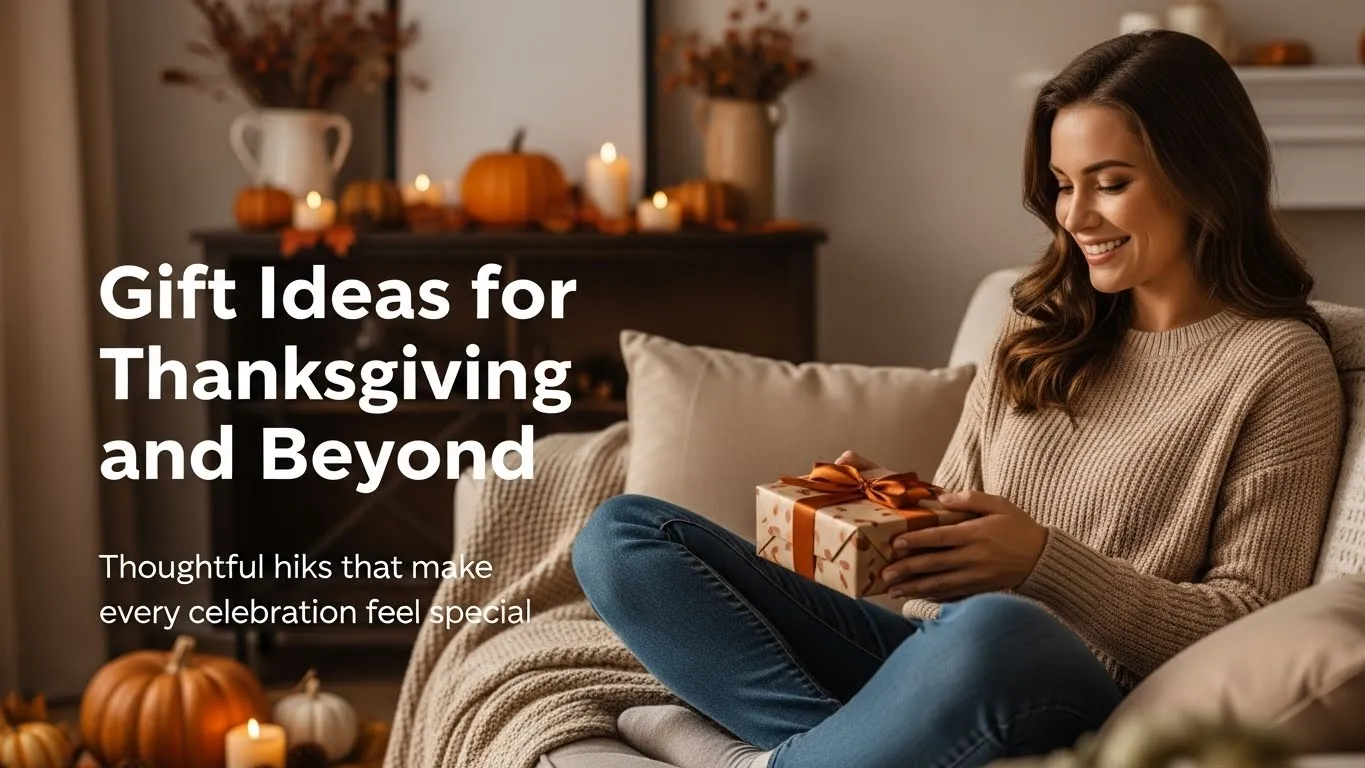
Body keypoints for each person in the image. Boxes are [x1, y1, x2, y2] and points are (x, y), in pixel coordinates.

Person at [571, 30, 1345, 768]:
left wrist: (1042, 563)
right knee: (625, 536)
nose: (1074, 218)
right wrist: (892, 517)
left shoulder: (1276, 364)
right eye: (1063, 185)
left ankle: (758, 751)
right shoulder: (1036, 319)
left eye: (1110, 184)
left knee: (1001, 625)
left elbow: (1247, 618)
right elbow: (953, 531)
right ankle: (813, 751)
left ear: (1203, 175)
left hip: (1066, 685)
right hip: (936, 654)